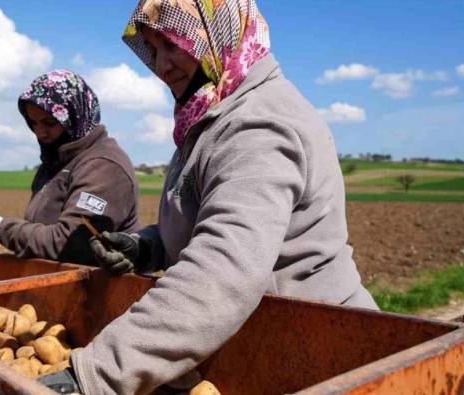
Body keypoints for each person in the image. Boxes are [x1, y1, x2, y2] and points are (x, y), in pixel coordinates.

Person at [40, 1, 380, 394]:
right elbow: (210, 219)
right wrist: (148, 247)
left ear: (215, 31)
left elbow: (223, 272)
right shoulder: (211, 114)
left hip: (317, 349)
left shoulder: (256, 125)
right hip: (258, 341)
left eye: (172, 43)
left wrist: (93, 378)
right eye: (154, 48)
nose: (162, 65)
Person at [0, 70, 140, 265]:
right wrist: (3, 236)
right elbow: (43, 228)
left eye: (49, 123)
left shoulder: (103, 167)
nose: (40, 133)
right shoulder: (56, 160)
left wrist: (0, 229)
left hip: (102, 289)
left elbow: (71, 244)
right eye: (33, 123)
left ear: (75, 115)